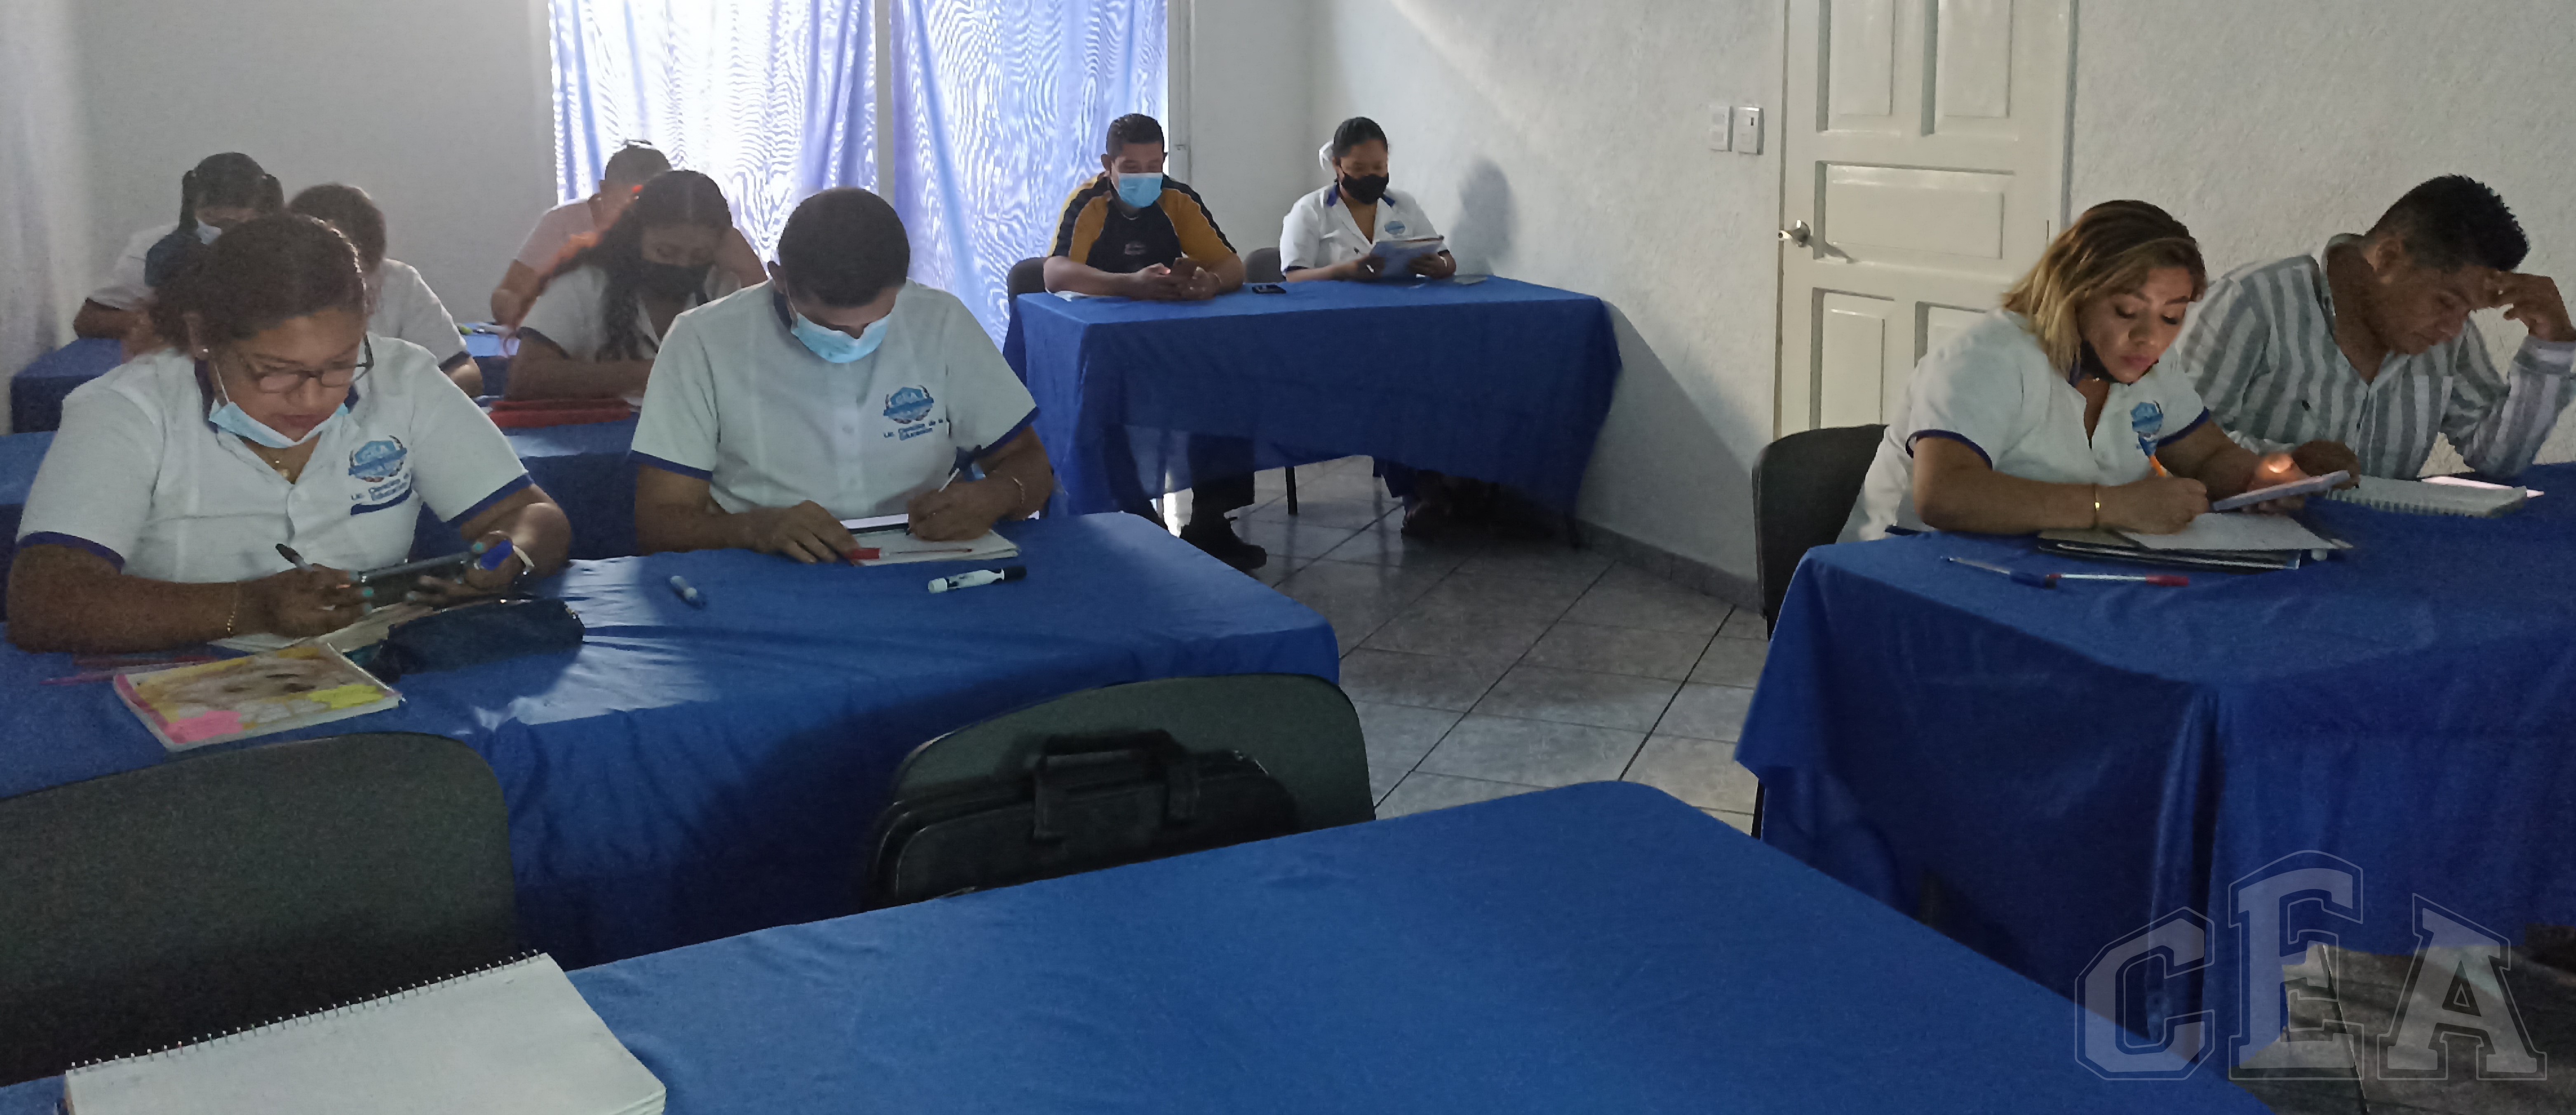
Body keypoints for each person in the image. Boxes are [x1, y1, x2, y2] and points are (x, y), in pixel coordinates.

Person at [8, 214, 571, 653]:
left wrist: (512, 555)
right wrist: (249, 608)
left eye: (340, 364)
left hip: (378, 662)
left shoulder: (403, 379)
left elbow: (533, 513)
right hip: (179, 671)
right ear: (203, 336)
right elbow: (45, 599)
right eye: (274, 371)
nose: (312, 397)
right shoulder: (126, 410)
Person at [1843, 201, 2309, 541]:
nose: (2150, 338)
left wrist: (2257, 480)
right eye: (2126, 311)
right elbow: (1945, 494)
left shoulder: (2150, 364)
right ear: (2072, 295)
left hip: (2047, 567)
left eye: (2172, 316)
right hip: (1911, 573)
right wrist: (2111, 505)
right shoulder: (1986, 357)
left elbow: (2206, 455)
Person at [632, 188, 1053, 560]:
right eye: (826, 325)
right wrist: (752, 528)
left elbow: (1030, 463)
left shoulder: (939, 320)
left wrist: (996, 495)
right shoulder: (704, 340)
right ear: (779, 279)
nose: (854, 339)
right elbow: (659, 522)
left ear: (900, 285)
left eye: (876, 322)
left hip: (922, 558)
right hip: (766, 565)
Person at [2174, 175, 2575, 481]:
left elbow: (2497, 459)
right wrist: (2284, 463)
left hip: (2379, 552)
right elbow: (2172, 442)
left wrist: (2550, 346)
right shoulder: (2252, 301)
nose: (2454, 329)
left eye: (2468, 312)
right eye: (2446, 301)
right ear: (2387, 257)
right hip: (2252, 549)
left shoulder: (2448, 340)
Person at [1043, 113, 1264, 568]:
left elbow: (1231, 264)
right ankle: (1136, 520)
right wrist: (1128, 284)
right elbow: (1054, 272)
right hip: (1103, 349)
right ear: (1107, 164)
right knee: (1102, 403)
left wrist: (1209, 283)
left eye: (1153, 166)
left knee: (1228, 386)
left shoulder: (1177, 199)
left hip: (1169, 345)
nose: (1144, 177)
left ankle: (1211, 519)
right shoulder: (1088, 203)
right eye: (1130, 167)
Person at [509, 170, 741, 402]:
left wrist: (749, 269)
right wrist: (644, 374)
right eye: (665, 252)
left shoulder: (723, 284)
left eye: (700, 256)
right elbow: (526, 377)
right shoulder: (587, 284)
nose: (683, 265)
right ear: (636, 238)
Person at [488, 142, 762, 325]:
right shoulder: (565, 227)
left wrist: (749, 269)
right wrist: (555, 317)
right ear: (605, 190)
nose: (644, 215)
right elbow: (506, 296)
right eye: (636, 202)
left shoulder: (692, 246)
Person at [287, 183, 481, 395]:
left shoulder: (400, 283)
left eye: (363, 285)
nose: (351, 298)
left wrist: (422, 400)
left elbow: (464, 371)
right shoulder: (273, 300)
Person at [73, 153, 283, 343]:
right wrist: (163, 324)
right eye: (211, 221)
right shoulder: (158, 247)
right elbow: (90, 320)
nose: (222, 234)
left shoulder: (286, 250)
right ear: (193, 208)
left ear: (262, 214)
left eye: (236, 224)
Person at [1280, 116, 1455, 283]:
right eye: (1358, 168)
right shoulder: (1310, 209)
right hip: (1334, 302)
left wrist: (1442, 267)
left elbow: (1446, 258)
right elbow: (1294, 276)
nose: (1370, 175)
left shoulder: (1404, 203)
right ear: (1337, 165)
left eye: (1379, 167)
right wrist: (1342, 272)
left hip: (1401, 300)